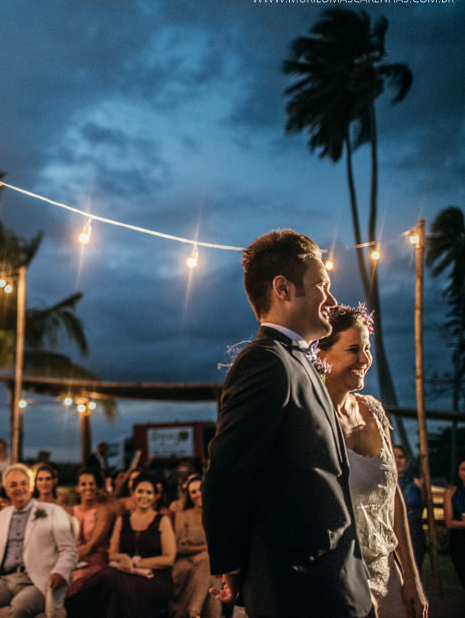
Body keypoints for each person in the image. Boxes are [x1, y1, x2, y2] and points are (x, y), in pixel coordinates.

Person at [202, 229, 372, 618]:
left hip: (334, 581)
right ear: (283, 288)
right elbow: (227, 472)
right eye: (321, 286)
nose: (330, 299)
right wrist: (230, 563)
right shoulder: (265, 362)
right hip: (300, 589)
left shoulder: (302, 362)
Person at [317, 304, 427, 616]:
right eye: (354, 349)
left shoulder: (374, 411)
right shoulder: (309, 418)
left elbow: (393, 498)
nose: (365, 360)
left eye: (366, 349)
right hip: (336, 580)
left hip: (388, 575)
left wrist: (412, 578)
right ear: (321, 354)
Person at [0, 463, 78, 618]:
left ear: (30, 486)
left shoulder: (52, 512)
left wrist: (59, 572)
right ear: (7, 490)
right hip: (7, 580)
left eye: (23, 483)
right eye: (13, 485)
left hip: (37, 582)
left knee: (20, 607)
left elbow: (69, 550)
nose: (19, 488)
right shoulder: (2, 516)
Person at [64, 474, 174, 618]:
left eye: (149, 492)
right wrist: (123, 557)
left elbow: (169, 558)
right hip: (123, 570)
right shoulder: (123, 520)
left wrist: (136, 564)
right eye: (140, 491)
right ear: (133, 494)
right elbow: (112, 554)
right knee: (103, 580)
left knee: (121, 587)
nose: (144, 496)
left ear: (155, 496)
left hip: (153, 576)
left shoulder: (162, 520)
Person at [171, 474, 219, 618]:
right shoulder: (183, 515)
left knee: (210, 568)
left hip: (208, 562)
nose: (198, 494)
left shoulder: (216, 514)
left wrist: (205, 554)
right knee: (212, 570)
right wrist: (206, 550)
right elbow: (179, 547)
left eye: (200, 489)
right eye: (193, 492)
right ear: (189, 495)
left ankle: (194, 611)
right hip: (185, 563)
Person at [68, 467, 114, 595]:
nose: (88, 487)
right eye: (83, 484)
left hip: (95, 561)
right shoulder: (70, 511)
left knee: (77, 582)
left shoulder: (103, 511)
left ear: (96, 487)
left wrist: (67, 562)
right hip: (72, 561)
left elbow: (92, 545)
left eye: (91, 484)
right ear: (77, 488)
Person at [394, 445, 427, 571]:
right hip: (391, 531)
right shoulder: (380, 484)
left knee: (414, 570)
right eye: (394, 456)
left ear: (406, 460)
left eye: (401, 457)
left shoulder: (417, 483)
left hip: (413, 531)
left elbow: (422, 505)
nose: (397, 460)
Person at [444, 457, 465, 588]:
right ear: (458, 472)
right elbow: (449, 522)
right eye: (464, 469)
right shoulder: (451, 492)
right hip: (459, 541)